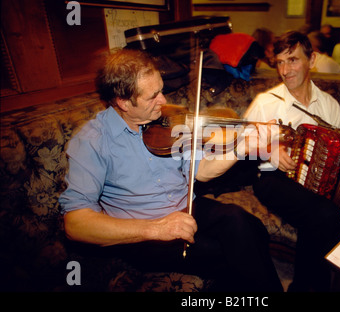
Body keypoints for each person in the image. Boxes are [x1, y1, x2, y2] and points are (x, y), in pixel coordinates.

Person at [59, 48, 283, 292]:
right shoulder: (92, 141)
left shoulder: (168, 121)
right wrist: (157, 228)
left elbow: (202, 171)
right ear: (123, 102)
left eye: (161, 90)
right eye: (152, 96)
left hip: (186, 206)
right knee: (228, 254)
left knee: (249, 226)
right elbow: (75, 224)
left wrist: (242, 147)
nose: (164, 101)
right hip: (144, 234)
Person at [244, 31, 340, 292]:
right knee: (326, 215)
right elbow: (240, 148)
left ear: (311, 60)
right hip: (270, 178)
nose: (285, 70)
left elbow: (339, 151)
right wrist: (269, 152)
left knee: (330, 215)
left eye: (292, 60)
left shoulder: (330, 105)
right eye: (279, 62)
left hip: (314, 181)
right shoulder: (266, 103)